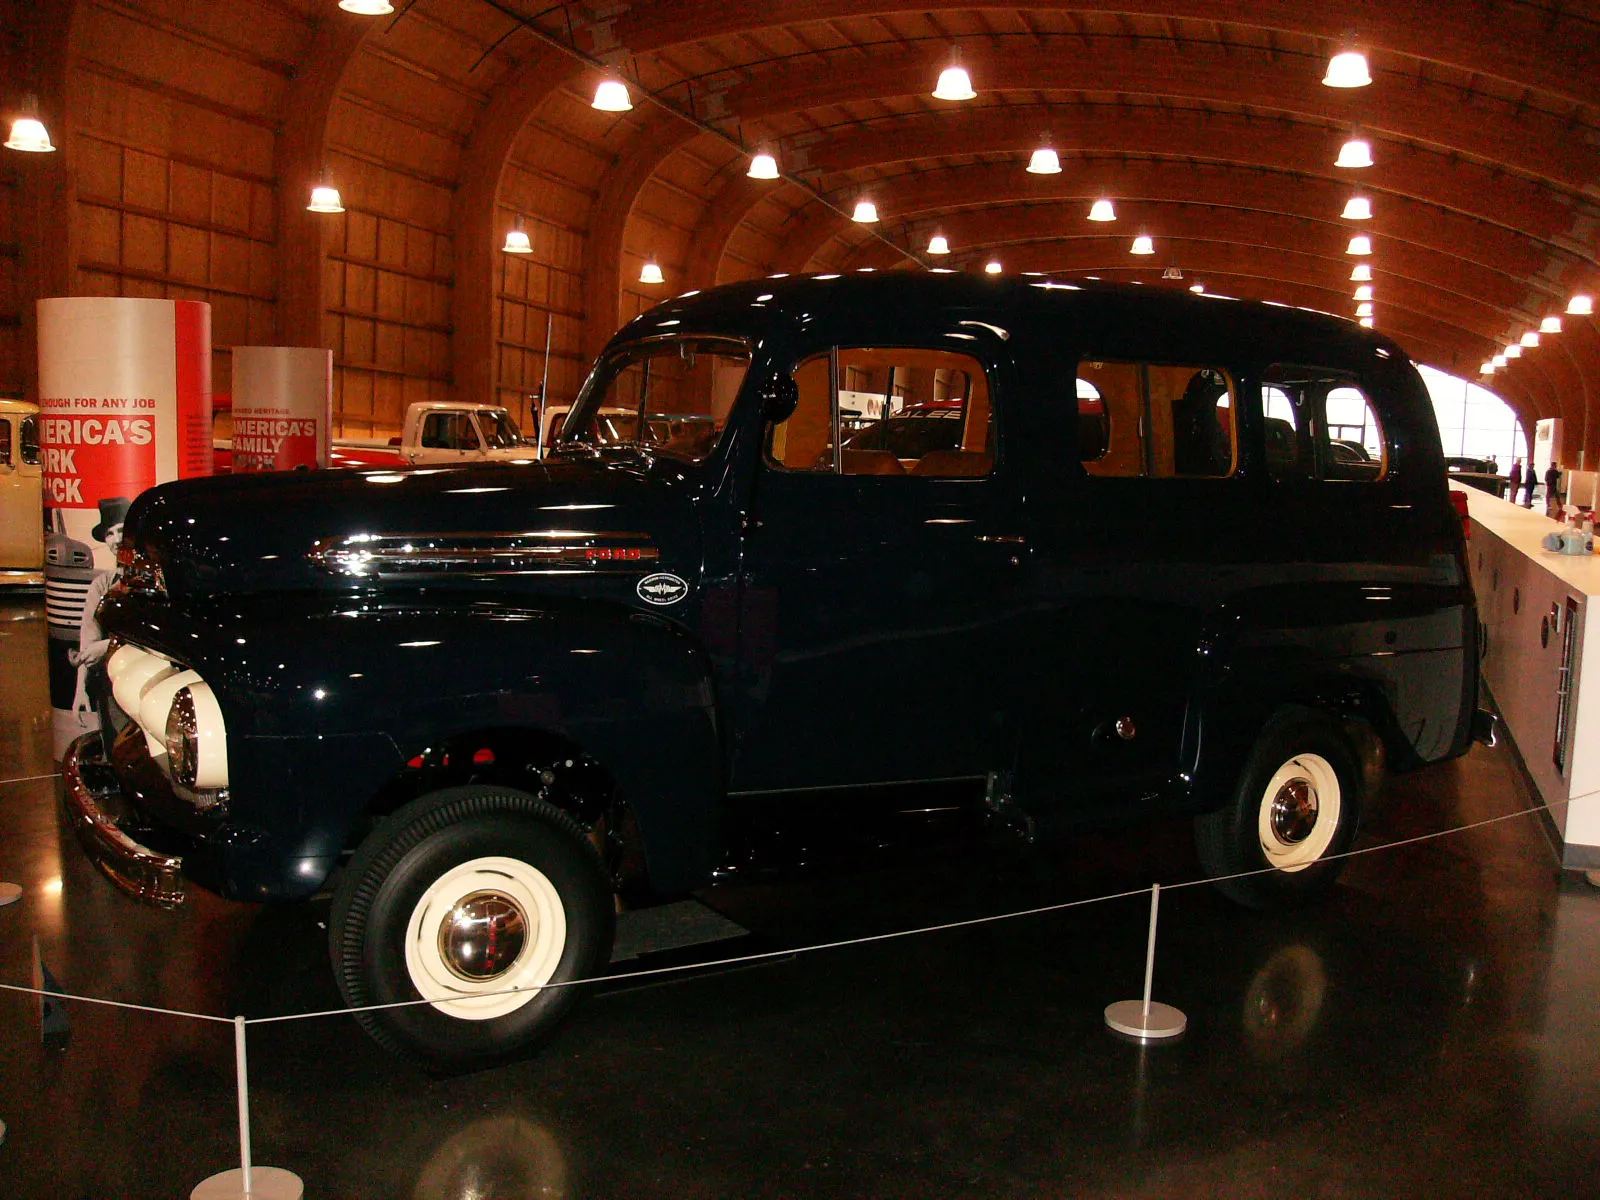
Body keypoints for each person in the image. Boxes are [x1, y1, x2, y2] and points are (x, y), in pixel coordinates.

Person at [69, 496, 129, 715]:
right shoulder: (101, 585)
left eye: (121, 530)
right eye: (109, 533)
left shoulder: (156, 577)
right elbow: (88, 640)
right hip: (112, 691)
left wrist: (106, 647)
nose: (116, 539)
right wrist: (80, 690)